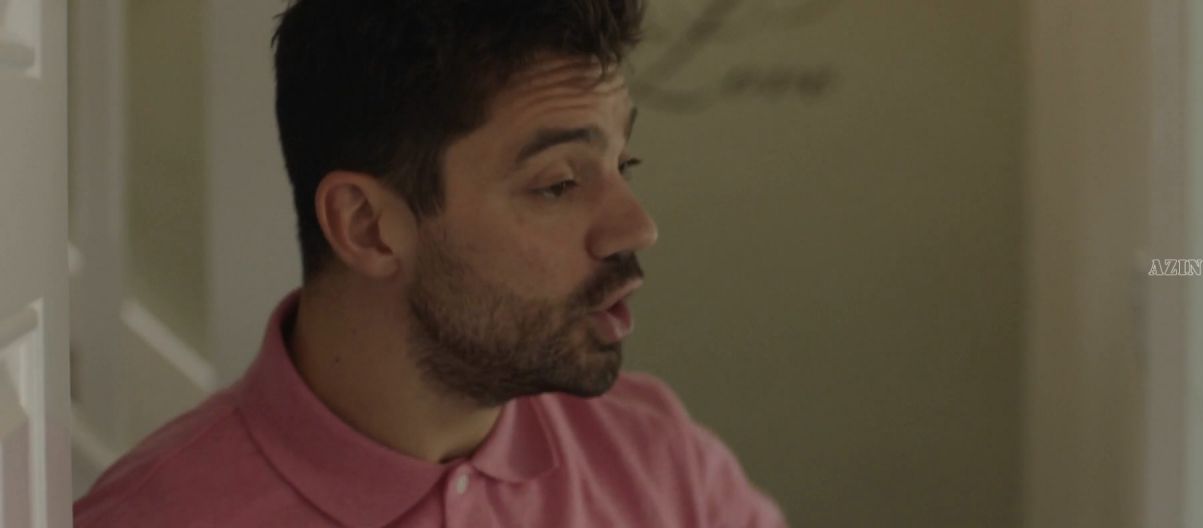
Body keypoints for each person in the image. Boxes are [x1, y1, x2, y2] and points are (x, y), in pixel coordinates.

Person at [74, 0, 785, 526]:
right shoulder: (147, 518)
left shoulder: (660, 460)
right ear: (368, 228)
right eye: (560, 183)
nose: (638, 226)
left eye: (624, 163)